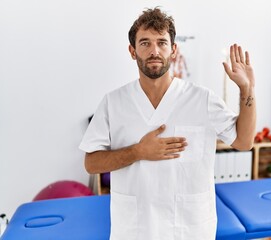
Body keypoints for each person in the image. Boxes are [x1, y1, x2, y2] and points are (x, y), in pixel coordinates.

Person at [79, 7, 256, 240]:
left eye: (162, 42)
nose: (154, 50)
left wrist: (246, 89)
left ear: (173, 50)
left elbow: (244, 142)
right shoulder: (113, 102)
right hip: (134, 229)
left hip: (189, 228)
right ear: (132, 51)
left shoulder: (202, 99)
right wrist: (138, 151)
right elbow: (91, 163)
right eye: (145, 43)